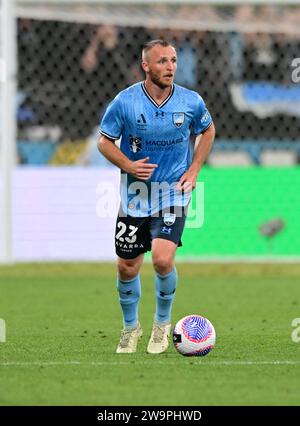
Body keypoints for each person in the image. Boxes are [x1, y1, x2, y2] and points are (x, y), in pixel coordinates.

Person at [98, 40, 215, 354]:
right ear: (146, 65)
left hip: (171, 193)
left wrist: (194, 169)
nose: (170, 67)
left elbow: (208, 130)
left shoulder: (190, 102)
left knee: (163, 259)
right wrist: (128, 164)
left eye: (174, 60)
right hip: (135, 194)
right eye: (162, 61)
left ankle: (162, 325)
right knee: (127, 266)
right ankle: (129, 328)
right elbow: (104, 142)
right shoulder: (125, 102)